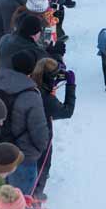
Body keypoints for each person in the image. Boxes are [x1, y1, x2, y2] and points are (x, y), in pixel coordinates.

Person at [0, 51, 49, 195]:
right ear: (31, 69)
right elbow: (39, 131)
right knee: (20, 202)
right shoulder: (31, 94)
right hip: (23, 157)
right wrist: (39, 149)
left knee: (1, 202)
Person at [31, 58, 76, 200]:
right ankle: (35, 198)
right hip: (41, 138)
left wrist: (50, 85)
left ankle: (31, 194)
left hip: (22, 133)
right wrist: (71, 86)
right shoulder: (46, 99)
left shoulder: (29, 86)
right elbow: (66, 112)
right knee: (43, 167)